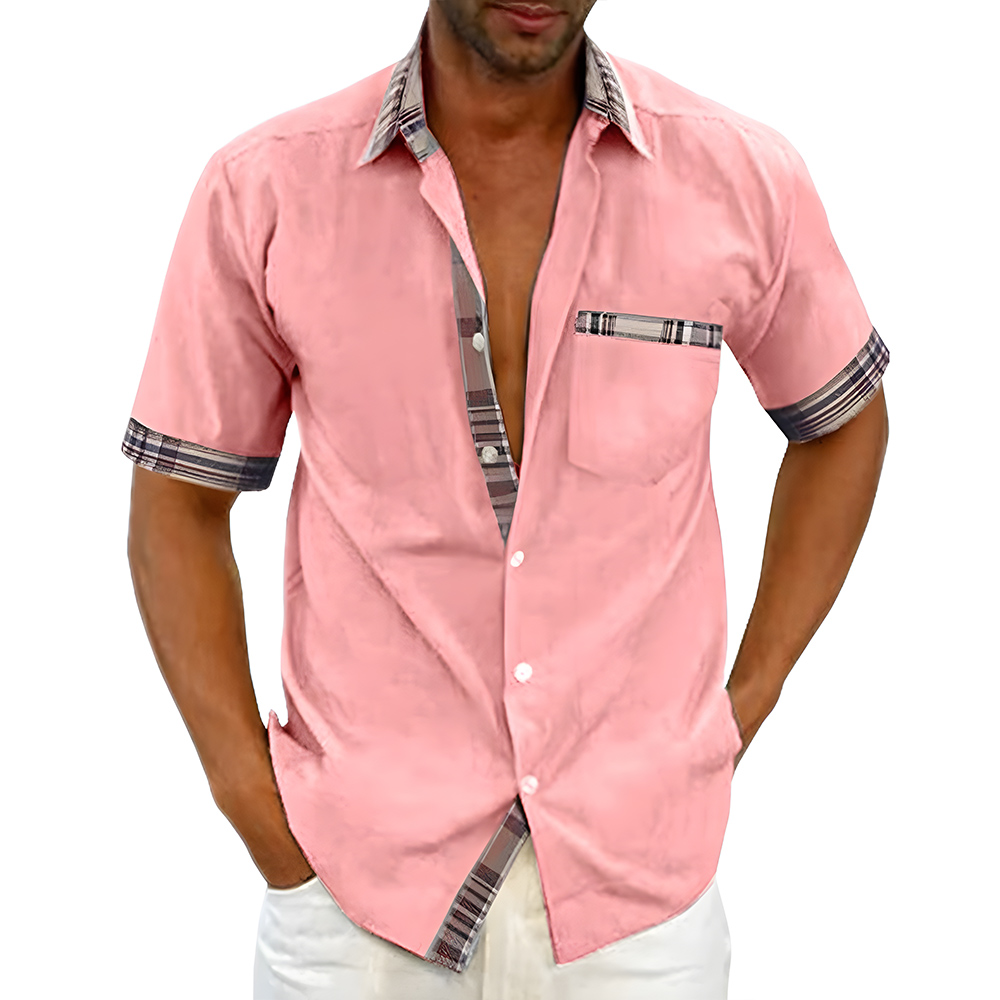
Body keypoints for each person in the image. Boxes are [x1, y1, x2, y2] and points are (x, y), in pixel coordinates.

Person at [123, 1, 889, 996]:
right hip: (356, 899)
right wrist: (252, 806)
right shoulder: (265, 188)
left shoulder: (738, 177)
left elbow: (842, 423)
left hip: (637, 903)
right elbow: (176, 504)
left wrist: (745, 701)